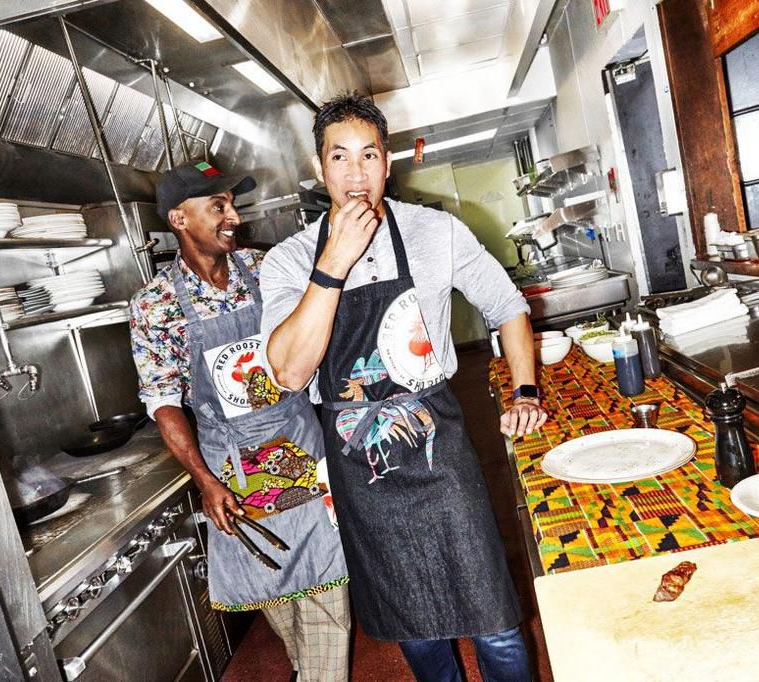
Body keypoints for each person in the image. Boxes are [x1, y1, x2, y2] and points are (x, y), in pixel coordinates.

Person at [259, 93, 548, 681]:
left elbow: (506, 305)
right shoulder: (287, 262)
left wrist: (525, 392)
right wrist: (331, 266)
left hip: (440, 450)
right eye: (340, 158)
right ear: (321, 169)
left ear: (387, 163)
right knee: (414, 626)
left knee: (495, 619)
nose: (356, 172)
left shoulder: (434, 231)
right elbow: (289, 372)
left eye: (369, 155)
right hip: (360, 466)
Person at [129, 162, 350, 682]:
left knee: (328, 592)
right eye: (218, 207)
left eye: (232, 204)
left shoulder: (268, 268)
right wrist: (204, 481)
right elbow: (163, 401)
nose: (233, 217)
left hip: (302, 447)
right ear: (179, 219)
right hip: (234, 473)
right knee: (277, 592)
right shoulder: (154, 306)